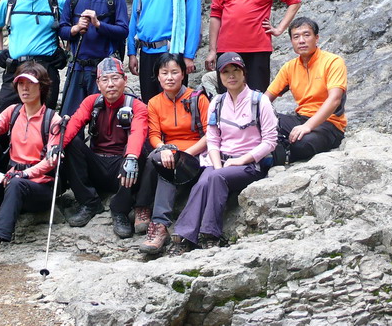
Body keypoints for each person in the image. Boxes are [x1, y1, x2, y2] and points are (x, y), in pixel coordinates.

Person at [169, 52, 277, 254]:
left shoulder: (259, 101)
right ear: (219, 76)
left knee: (216, 178)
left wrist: (241, 161)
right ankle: (183, 237)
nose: (231, 76)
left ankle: (210, 234)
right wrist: (217, 166)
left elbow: (270, 141)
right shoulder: (217, 102)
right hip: (221, 162)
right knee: (203, 182)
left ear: (243, 72)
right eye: (225, 72)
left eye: (235, 70)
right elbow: (213, 139)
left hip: (249, 164)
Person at [0, 62, 64, 267]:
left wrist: (24, 174)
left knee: (17, 183)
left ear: (42, 87)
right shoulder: (13, 111)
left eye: (30, 84)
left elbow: (51, 160)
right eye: (20, 84)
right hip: (12, 182)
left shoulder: (53, 119)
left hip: (39, 188)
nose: (24, 89)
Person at [62, 57, 149, 238]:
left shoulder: (137, 106)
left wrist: (132, 157)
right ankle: (89, 202)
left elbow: (138, 132)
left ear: (125, 80)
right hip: (97, 163)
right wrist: (56, 147)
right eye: (105, 79)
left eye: (115, 78)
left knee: (138, 152)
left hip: (123, 168)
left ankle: (120, 210)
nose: (110, 84)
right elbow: (74, 124)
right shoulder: (91, 102)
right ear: (98, 83)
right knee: (72, 143)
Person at [136, 53, 209, 254]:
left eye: (175, 72)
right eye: (164, 73)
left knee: (168, 163)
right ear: (158, 77)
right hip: (167, 153)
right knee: (156, 159)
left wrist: (184, 153)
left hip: (196, 154)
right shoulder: (154, 103)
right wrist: (165, 149)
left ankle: (159, 225)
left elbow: (210, 134)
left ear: (183, 74)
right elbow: (154, 135)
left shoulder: (198, 99)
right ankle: (148, 213)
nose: (170, 77)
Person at [127, 0, 202, 103]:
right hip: (146, 52)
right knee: (149, 102)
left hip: (171, 52)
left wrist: (189, 55)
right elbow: (135, 18)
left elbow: (193, 21)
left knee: (173, 103)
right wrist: (132, 52)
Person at [58, 0, 129, 119]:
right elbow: (62, 29)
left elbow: (123, 31)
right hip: (76, 68)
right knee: (70, 120)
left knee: (103, 122)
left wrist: (98, 24)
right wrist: (75, 29)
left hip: (103, 72)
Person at [0, 0, 66, 112]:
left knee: (44, 121)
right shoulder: (10, 2)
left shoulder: (56, 2)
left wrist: (67, 53)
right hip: (15, 68)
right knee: (4, 119)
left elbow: (71, 30)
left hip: (46, 70)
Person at [266, 17, 347, 164]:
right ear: (291, 42)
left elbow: (334, 99)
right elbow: (265, 99)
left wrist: (308, 126)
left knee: (302, 144)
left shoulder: (333, 61)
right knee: (262, 122)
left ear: (316, 38)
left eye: (306, 35)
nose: (301, 41)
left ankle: (281, 151)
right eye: (296, 37)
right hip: (300, 118)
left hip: (329, 124)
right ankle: (277, 150)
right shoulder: (289, 67)